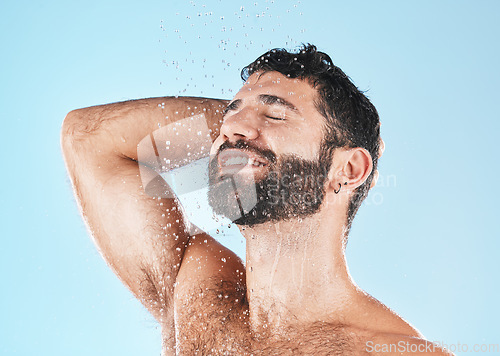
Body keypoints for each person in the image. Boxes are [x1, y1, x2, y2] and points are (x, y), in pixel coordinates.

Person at [61, 44, 451, 355]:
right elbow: (87, 138)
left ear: (348, 170)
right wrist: (241, 134)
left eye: (277, 115)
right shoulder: (198, 296)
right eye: (230, 114)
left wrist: (252, 137)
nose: (231, 126)